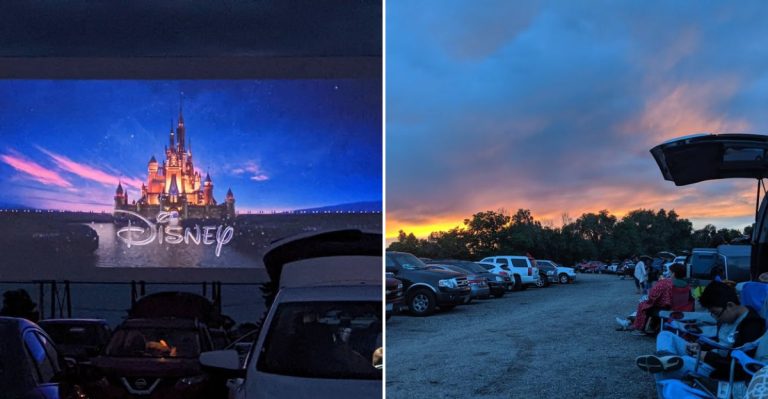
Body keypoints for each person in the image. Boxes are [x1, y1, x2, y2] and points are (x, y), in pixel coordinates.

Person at [634, 281, 765, 396]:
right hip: (709, 357)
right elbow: (719, 343)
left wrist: (705, 356)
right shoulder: (726, 317)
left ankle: (667, 363)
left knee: (665, 368)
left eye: (716, 314)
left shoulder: (752, 325)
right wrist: (700, 346)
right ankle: (666, 357)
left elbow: (739, 365)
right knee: (665, 335)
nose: (716, 318)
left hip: (720, 369)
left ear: (730, 305)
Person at [617, 263, 692, 335]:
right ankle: (651, 327)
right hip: (681, 311)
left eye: (670, 272)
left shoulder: (665, 283)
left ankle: (639, 329)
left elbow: (652, 296)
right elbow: (690, 300)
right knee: (653, 305)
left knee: (644, 306)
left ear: (674, 273)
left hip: (667, 311)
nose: (669, 274)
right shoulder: (687, 286)